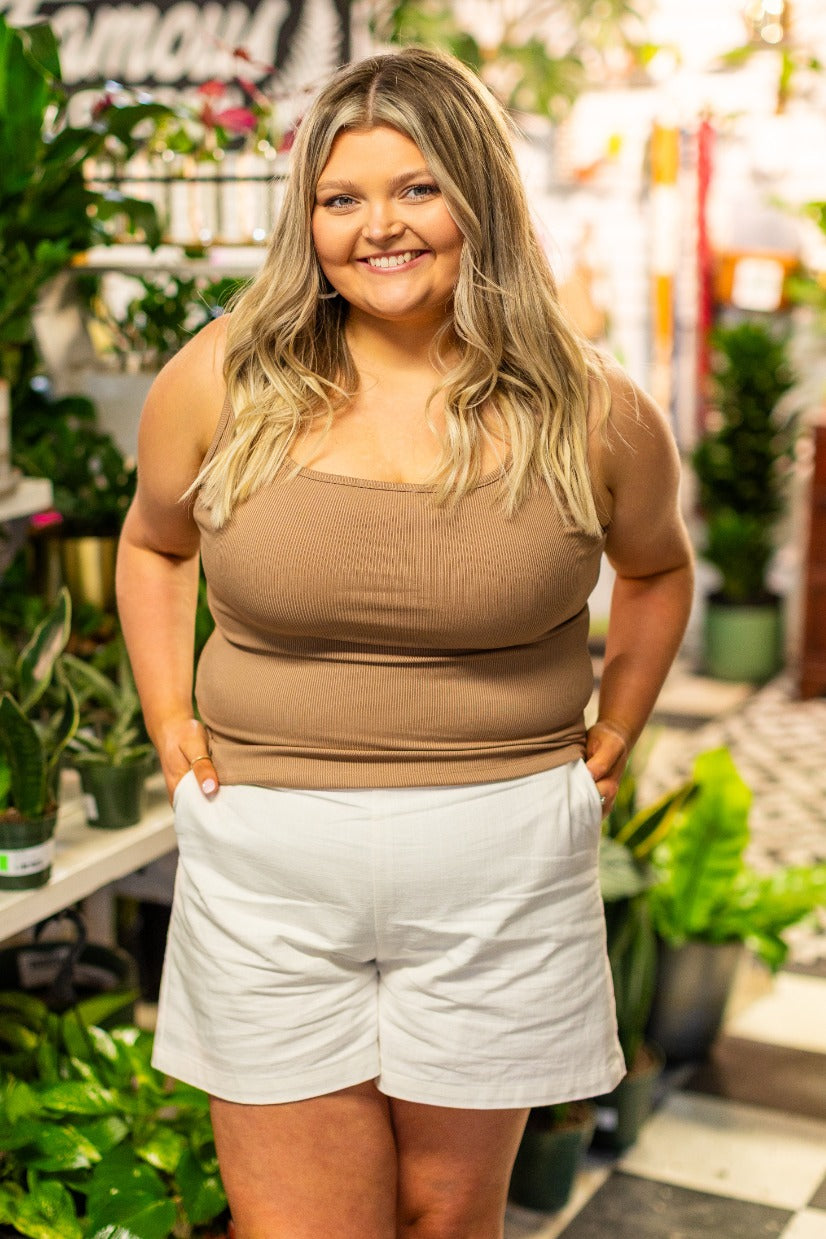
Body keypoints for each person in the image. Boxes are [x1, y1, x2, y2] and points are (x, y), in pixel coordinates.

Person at [116, 46, 694, 1239]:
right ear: (308, 219)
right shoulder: (222, 378)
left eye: (416, 188)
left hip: (501, 868)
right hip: (268, 860)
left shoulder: (592, 408)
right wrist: (168, 716)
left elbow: (657, 569)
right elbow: (153, 544)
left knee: (446, 1217)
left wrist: (620, 727)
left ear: (479, 195)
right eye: (342, 198)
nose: (378, 226)